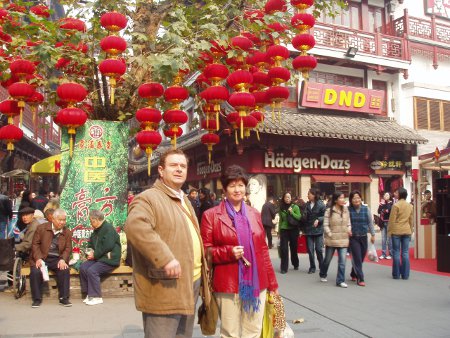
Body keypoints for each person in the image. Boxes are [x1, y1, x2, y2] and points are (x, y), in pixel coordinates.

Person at [125, 149, 208, 338]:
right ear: (161, 171)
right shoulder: (149, 198)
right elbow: (135, 226)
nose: (179, 169)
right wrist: (164, 258)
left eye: (183, 166)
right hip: (164, 285)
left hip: (190, 282)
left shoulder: (184, 199)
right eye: (173, 165)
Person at [201, 165, 278, 338]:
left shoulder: (254, 213)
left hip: (257, 283)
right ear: (225, 188)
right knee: (230, 333)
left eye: (241, 185)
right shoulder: (211, 215)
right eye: (232, 185)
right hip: (228, 284)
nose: (237, 190)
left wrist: (273, 284)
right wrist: (228, 253)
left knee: (253, 331)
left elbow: (263, 251)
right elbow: (205, 251)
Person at [29, 208, 72, 308]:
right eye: (60, 220)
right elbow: (35, 244)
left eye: (64, 220)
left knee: (64, 270)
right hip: (43, 257)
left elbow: (68, 248)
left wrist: (63, 259)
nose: (62, 222)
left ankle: (64, 298)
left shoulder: (67, 232)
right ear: (53, 219)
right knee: (35, 271)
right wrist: (38, 258)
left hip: (57, 258)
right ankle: (37, 299)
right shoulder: (41, 228)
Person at [80, 210, 121, 306]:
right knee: (83, 267)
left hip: (109, 259)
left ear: (96, 219)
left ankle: (96, 296)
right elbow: (91, 243)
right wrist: (89, 252)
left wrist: (95, 255)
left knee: (92, 270)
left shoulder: (108, 228)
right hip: (99, 258)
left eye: (91, 221)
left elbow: (107, 246)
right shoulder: (96, 231)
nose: (91, 223)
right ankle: (89, 294)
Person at [319, 191, 350, 288]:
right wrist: (329, 233)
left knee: (342, 261)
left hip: (343, 239)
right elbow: (325, 224)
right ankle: (323, 273)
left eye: (343, 198)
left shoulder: (346, 210)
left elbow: (348, 222)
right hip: (332, 239)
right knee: (327, 260)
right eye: (340, 198)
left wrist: (349, 229)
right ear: (336, 200)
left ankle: (340, 280)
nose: (343, 200)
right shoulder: (329, 211)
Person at [348, 191, 375, 287]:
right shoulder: (348, 210)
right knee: (358, 257)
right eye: (354, 198)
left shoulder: (366, 209)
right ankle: (360, 278)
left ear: (361, 199)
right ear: (351, 200)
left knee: (361, 257)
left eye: (358, 198)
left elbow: (370, 223)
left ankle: (353, 272)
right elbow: (346, 223)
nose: (356, 200)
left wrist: (373, 234)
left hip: (363, 236)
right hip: (353, 237)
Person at [388, 187, 414, 280]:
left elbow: (391, 220)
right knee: (405, 252)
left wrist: (389, 231)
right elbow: (411, 220)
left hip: (396, 231)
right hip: (407, 230)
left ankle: (396, 274)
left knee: (396, 252)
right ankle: (405, 274)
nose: (395, 194)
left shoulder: (396, 206)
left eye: (396, 193)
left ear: (400, 195)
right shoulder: (410, 206)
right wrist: (411, 230)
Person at [304, 188, 326, 274]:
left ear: (314, 195)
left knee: (318, 249)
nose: (308, 195)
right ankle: (312, 267)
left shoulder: (321, 204)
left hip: (318, 230)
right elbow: (304, 217)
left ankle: (321, 265)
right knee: (310, 249)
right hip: (309, 230)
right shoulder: (307, 205)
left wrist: (319, 219)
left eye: (309, 194)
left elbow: (325, 216)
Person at [278, 192, 301, 273]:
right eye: (286, 197)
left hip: (293, 229)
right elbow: (281, 220)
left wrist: (292, 213)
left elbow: (299, 217)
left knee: (293, 248)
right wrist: (278, 231)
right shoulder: (281, 208)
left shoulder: (295, 207)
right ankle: (284, 268)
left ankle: (295, 263)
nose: (287, 199)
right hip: (284, 229)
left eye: (289, 197)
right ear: (283, 198)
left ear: (291, 198)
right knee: (284, 249)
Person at [378, 192, 393, 259]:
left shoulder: (391, 203)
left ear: (390, 196)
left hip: (389, 222)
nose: (385, 196)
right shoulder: (382, 203)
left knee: (389, 239)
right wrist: (382, 207)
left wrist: (383, 209)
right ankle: (383, 254)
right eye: (385, 195)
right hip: (382, 222)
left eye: (387, 195)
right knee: (383, 239)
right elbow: (378, 211)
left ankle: (390, 254)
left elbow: (388, 211)